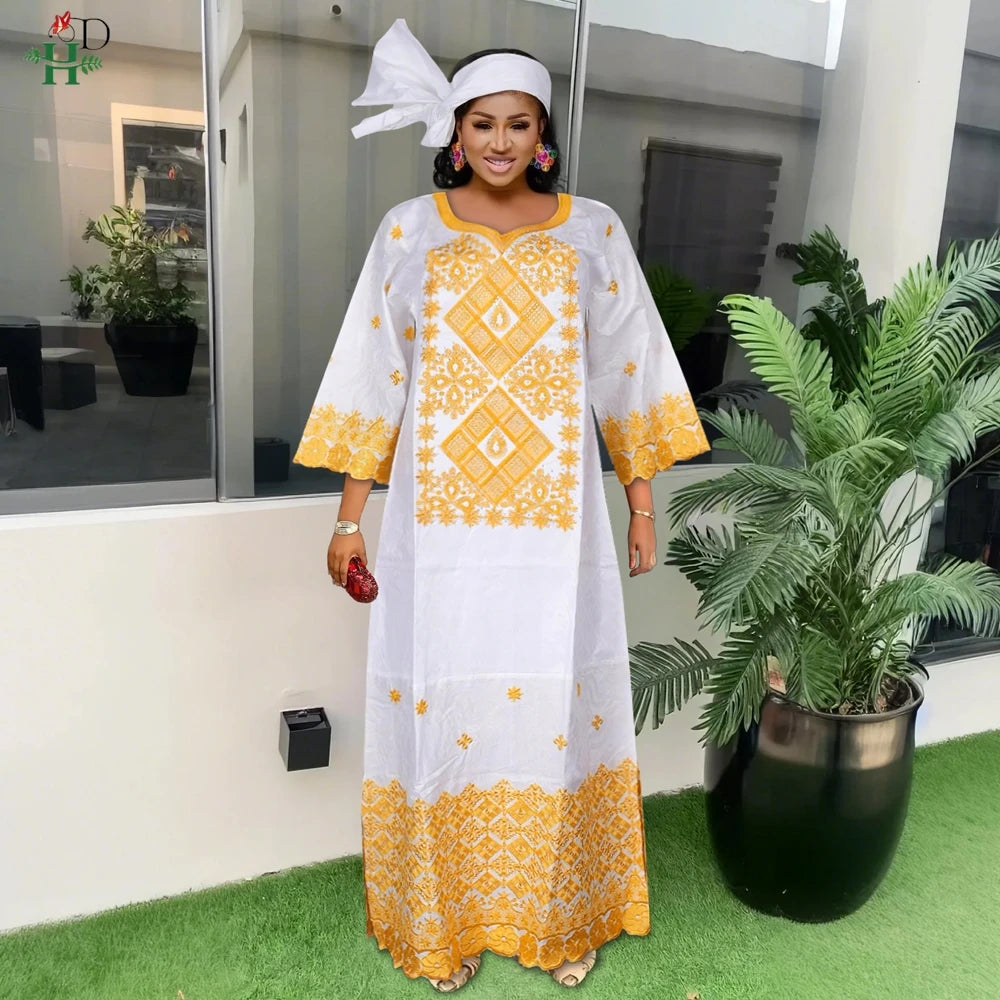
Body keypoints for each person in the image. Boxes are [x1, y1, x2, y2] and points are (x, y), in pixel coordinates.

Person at [294, 19, 709, 992]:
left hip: (557, 540)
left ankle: (562, 917)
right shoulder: (409, 232)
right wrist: (350, 519)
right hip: (436, 539)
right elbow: (374, 376)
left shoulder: (592, 232)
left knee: (556, 708)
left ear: (542, 134)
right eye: (481, 123)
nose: (498, 141)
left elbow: (628, 368)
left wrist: (641, 505)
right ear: (455, 131)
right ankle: (445, 922)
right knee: (445, 705)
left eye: (518, 124)